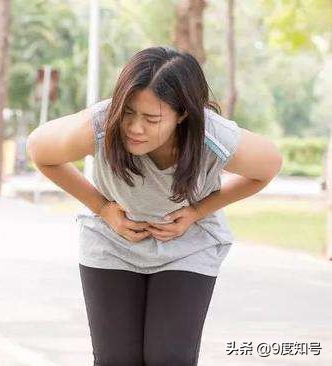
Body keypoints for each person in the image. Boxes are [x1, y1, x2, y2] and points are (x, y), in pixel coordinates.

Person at [26, 46, 282, 365]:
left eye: (152, 118)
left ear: (183, 114)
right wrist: (103, 208)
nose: (135, 127)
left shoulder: (213, 136)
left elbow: (268, 166)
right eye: (129, 112)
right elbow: (39, 151)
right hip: (112, 244)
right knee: (117, 359)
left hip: (186, 247)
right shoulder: (102, 125)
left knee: (168, 357)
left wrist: (197, 212)